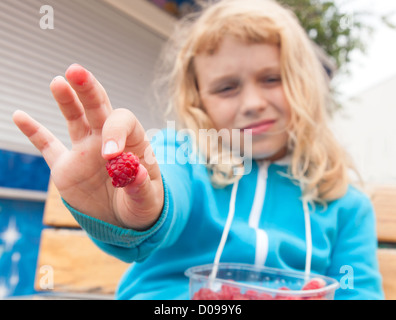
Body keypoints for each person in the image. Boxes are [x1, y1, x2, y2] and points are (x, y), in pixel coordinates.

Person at [13, 0, 384, 300]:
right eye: (226, 88)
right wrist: (135, 211)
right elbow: (165, 195)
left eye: (272, 79)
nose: (253, 102)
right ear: (198, 101)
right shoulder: (182, 155)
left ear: (306, 86)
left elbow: (358, 291)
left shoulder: (346, 206)